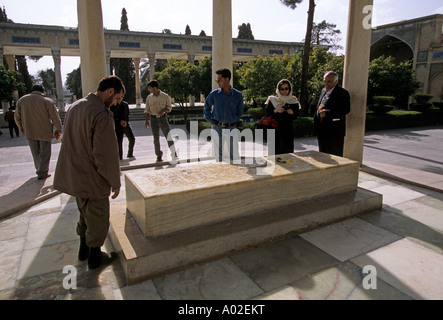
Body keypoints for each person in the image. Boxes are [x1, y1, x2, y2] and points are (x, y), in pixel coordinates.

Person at [53, 75, 125, 269]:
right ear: (110, 91)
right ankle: (95, 258)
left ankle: (83, 251)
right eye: (117, 98)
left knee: (84, 214)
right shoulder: (101, 114)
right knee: (98, 217)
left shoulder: (75, 106)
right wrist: (115, 181)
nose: (116, 104)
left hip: (75, 174)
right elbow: (105, 154)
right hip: (93, 177)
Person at [15, 85, 62, 180]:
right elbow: (55, 117)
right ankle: (43, 172)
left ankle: (39, 169)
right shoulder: (47, 101)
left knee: (35, 152)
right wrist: (58, 129)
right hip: (44, 131)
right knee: (45, 152)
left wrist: (22, 129)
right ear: (42, 91)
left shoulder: (22, 100)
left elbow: (17, 117)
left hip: (29, 130)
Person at [204, 68, 244, 162]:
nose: (218, 82)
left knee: (234, 156)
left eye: (219, 80)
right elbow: (206, 107)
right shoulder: (214, 94)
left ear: (227, 79)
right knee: (218, 156)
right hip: (217, 127)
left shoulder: (238, 95)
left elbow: (240, 112)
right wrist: (210, 119)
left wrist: (233, 120)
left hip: (232, 128)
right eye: (217, 80)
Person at [313, 71, 351, 157]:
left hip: (335, 132)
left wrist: (327, 113)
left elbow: (346, 110)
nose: (326, 84)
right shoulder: (323, 91)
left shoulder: (343, 93)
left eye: (329, 81)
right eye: (325, 81)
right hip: (322, 130)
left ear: (336, 82)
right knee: (323, 156)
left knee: (335, 157)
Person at [144, 80, 177, 162]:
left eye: (150, 88)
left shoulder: (165, 96)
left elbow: (169, 107)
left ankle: (173, 153)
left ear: (154, 88)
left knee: (168, 136)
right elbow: (147, 110)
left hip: (163, 119)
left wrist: (163, 111)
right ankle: (158, 155)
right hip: (153, 119)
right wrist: (146, 121)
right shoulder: (149, 98)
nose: (149, 89)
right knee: (156, 139)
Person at [265, 79, 300, 155]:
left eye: (286, 88)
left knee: (288, 153)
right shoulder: (273, 100)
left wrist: (292, 113)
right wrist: (276, 111)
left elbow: (296, 116)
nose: (284, 91)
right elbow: (267, 114)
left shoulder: (293, 101)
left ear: (289, 89)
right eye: (282, 89)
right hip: (274, 130)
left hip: (287, 130)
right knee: (274, 153)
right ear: (278, 89)